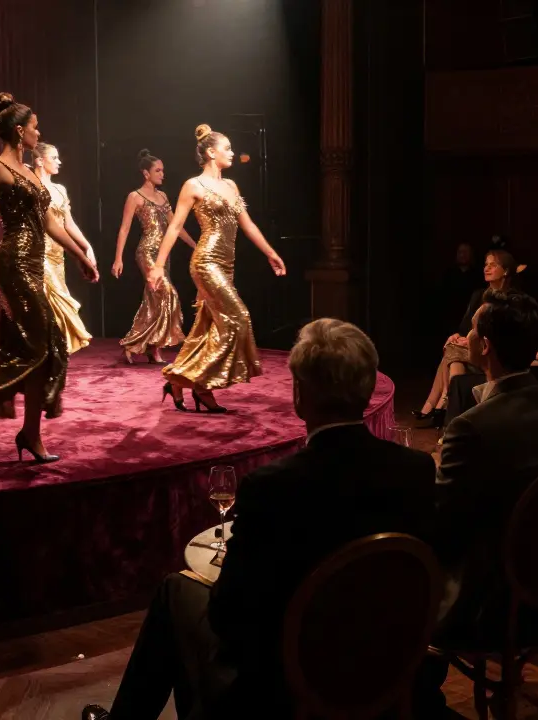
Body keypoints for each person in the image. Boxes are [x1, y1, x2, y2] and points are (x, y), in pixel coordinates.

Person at [82, 320, 435, 720]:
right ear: (370, 387)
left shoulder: (273, 487)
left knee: (175, 590)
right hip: (383, 665)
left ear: (300, 396)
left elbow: (229, 616)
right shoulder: (416, 469)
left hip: (286, 686)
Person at [420, 289, 538, 712]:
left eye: (472, 330)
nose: (466, 337)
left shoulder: (472, 427)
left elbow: (442, 524)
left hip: (483, 600)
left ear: (485, 346)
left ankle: (416, 697)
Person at [0, 93, 100, 463]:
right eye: (34, 127)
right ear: (20, 131)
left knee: (39, 349)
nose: (39, 131)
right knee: (43, 346)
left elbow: (50, 222)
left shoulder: (31, 174)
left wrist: (81, 254)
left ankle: (30, 435)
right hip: (13, 264)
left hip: (35, 264)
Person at [147, 124, 287, 413]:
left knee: (205, 329)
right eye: (228, 148)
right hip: (206, 262)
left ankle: (178, 380)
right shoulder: (193, 185)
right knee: (239, 318)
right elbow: (174, 227)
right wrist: (158, 266)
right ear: (211, 152)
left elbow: (247, 225)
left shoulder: (231, 186)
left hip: (227, 264)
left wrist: (271, 253)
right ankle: (201, 384)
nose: (233, 153)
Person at [113, 150, 197, 367]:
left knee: (154, 300)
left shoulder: (163, 196)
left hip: (163, 255)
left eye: (163, 170)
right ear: (145, 173)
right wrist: (118, 259)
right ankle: (139, 343)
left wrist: (196, 246)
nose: (162, 174)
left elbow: (176, 227)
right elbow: (124, 229)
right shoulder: (135, 197)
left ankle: (148, 348)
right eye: (158, 170)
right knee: (168, 293)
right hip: (146, 252)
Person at [414, 249, 516, 426]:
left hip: (490, 351)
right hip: (469, 347)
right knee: (452, 348)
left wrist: (468, 340)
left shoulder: (511, 299)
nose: (487, 268)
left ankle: (439, 402)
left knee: (452, 351)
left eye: (493, 265)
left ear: (505, 271)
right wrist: (458, 335)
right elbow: (465, 327)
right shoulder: (478, 294)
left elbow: (501, 332)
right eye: (485, 264)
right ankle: (444, 402)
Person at [31, 142, 95, 355]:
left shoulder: (60, 189)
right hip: (38, 251)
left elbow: (68, 224)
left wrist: (87, 247)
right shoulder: (31, 186)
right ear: (40, 161)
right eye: (54, 157)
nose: (59, 162)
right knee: (52, 295)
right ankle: (45, 347)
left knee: (55, 296)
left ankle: (49, 347)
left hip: (58, 253)